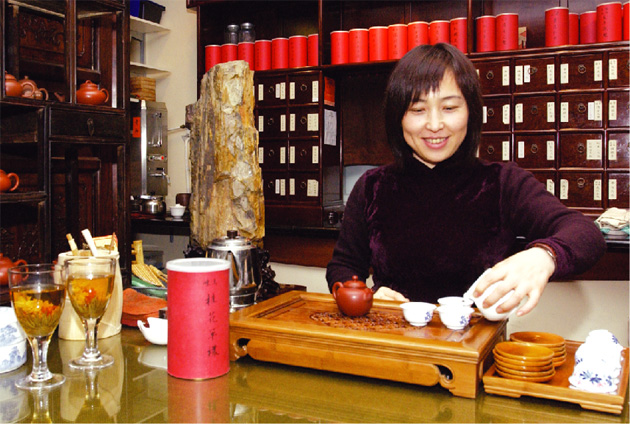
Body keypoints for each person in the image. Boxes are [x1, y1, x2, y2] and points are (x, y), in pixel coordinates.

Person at [326, 43, 606, 317]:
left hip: (474, 353)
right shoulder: (372, 186)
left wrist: (545, 255)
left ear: (471, 112)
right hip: (394, 346)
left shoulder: (503, 182)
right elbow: (343, 266)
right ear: (397, 117)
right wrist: (365, 294)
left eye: (449, 108)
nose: (435, 125)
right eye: (418, 109)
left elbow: (584, 233)